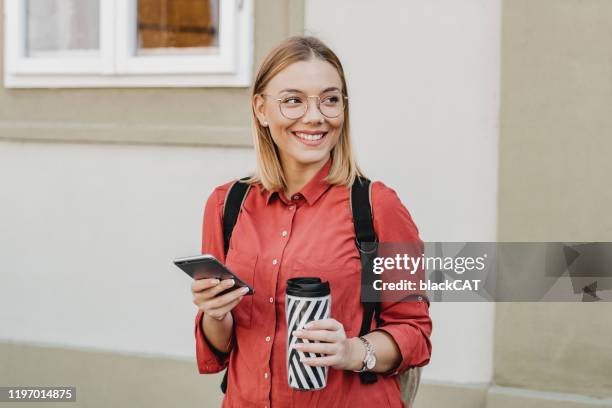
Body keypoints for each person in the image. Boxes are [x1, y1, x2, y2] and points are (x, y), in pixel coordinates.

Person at [191, 36, 432, 408]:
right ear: (261, 109)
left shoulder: (377, 206)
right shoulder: (226, 204)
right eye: (293, 100)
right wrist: (214, 312)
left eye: (330, 99)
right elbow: (221, 346)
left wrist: (352, 350)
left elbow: (415, 332)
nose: (316, 115)